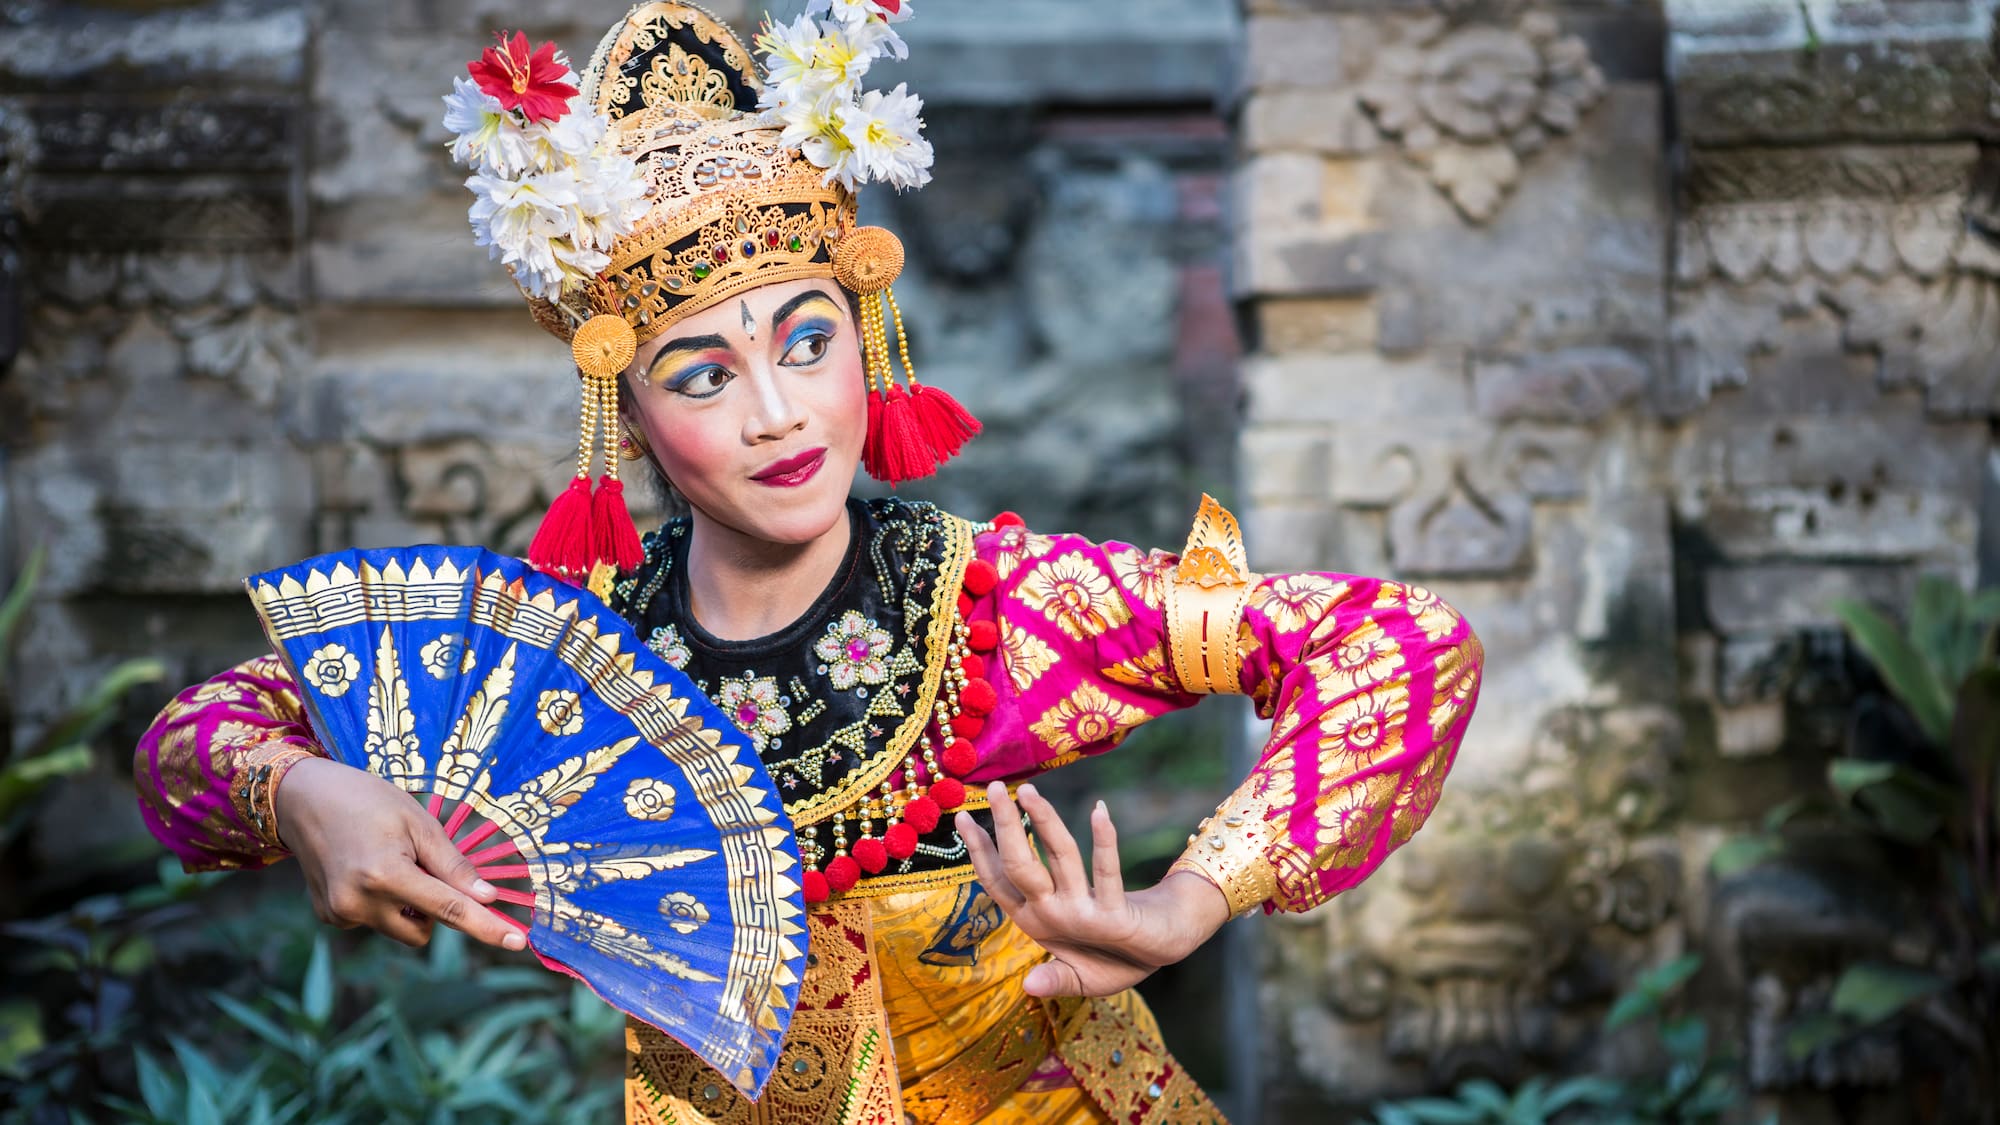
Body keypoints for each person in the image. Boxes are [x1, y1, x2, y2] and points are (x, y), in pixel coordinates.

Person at [131, 4, 1484, 1121]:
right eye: (704, 373)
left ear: (866, 335)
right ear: (631, 409)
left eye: (807, 340)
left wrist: (1197, 895)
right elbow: (197, 739)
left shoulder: (992, 611)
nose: (777, 413)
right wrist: (304, 789)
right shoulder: (568, 663)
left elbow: (1401, 643)